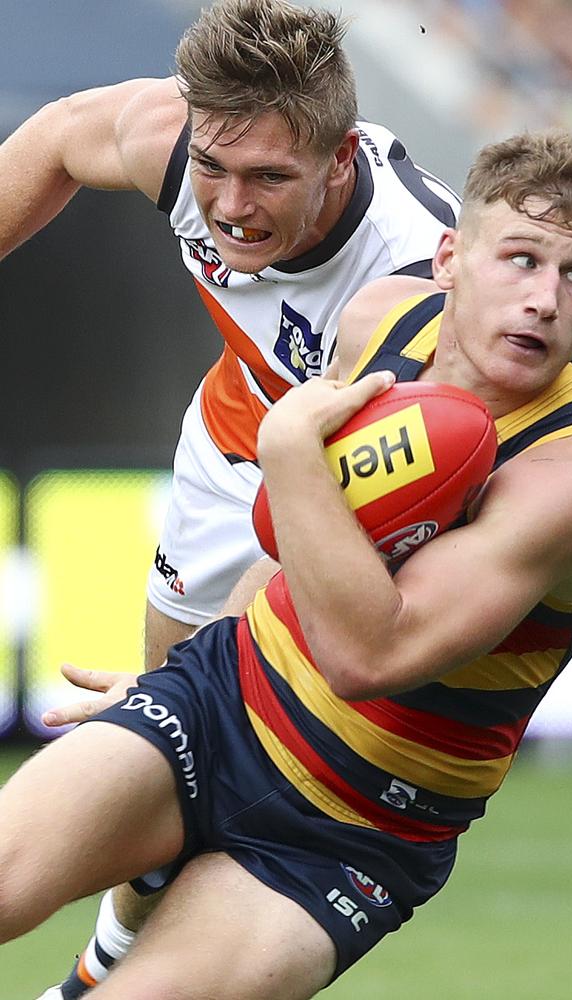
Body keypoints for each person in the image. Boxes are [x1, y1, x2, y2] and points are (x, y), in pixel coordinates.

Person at [0, 128, 572, 999]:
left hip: (351, 830)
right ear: (449, 259)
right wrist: (189, 669)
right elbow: (302, 547)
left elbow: (369, 656)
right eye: (520, 259)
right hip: (219, 704)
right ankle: (129, 907)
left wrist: (290, 451)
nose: (543, 299)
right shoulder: (380, 318)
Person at [0, 0, 461, 988]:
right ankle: (108, 954)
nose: (229, 203)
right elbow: (52, 140)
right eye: (214, 167)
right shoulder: (174, 140)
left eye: (267, 178)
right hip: (229, 438)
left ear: (339, 159)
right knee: (163, 739)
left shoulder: (415, 282)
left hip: (347, 489)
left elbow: (321, 524)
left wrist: (208, 671)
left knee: (218, 712)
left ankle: (95, 972)